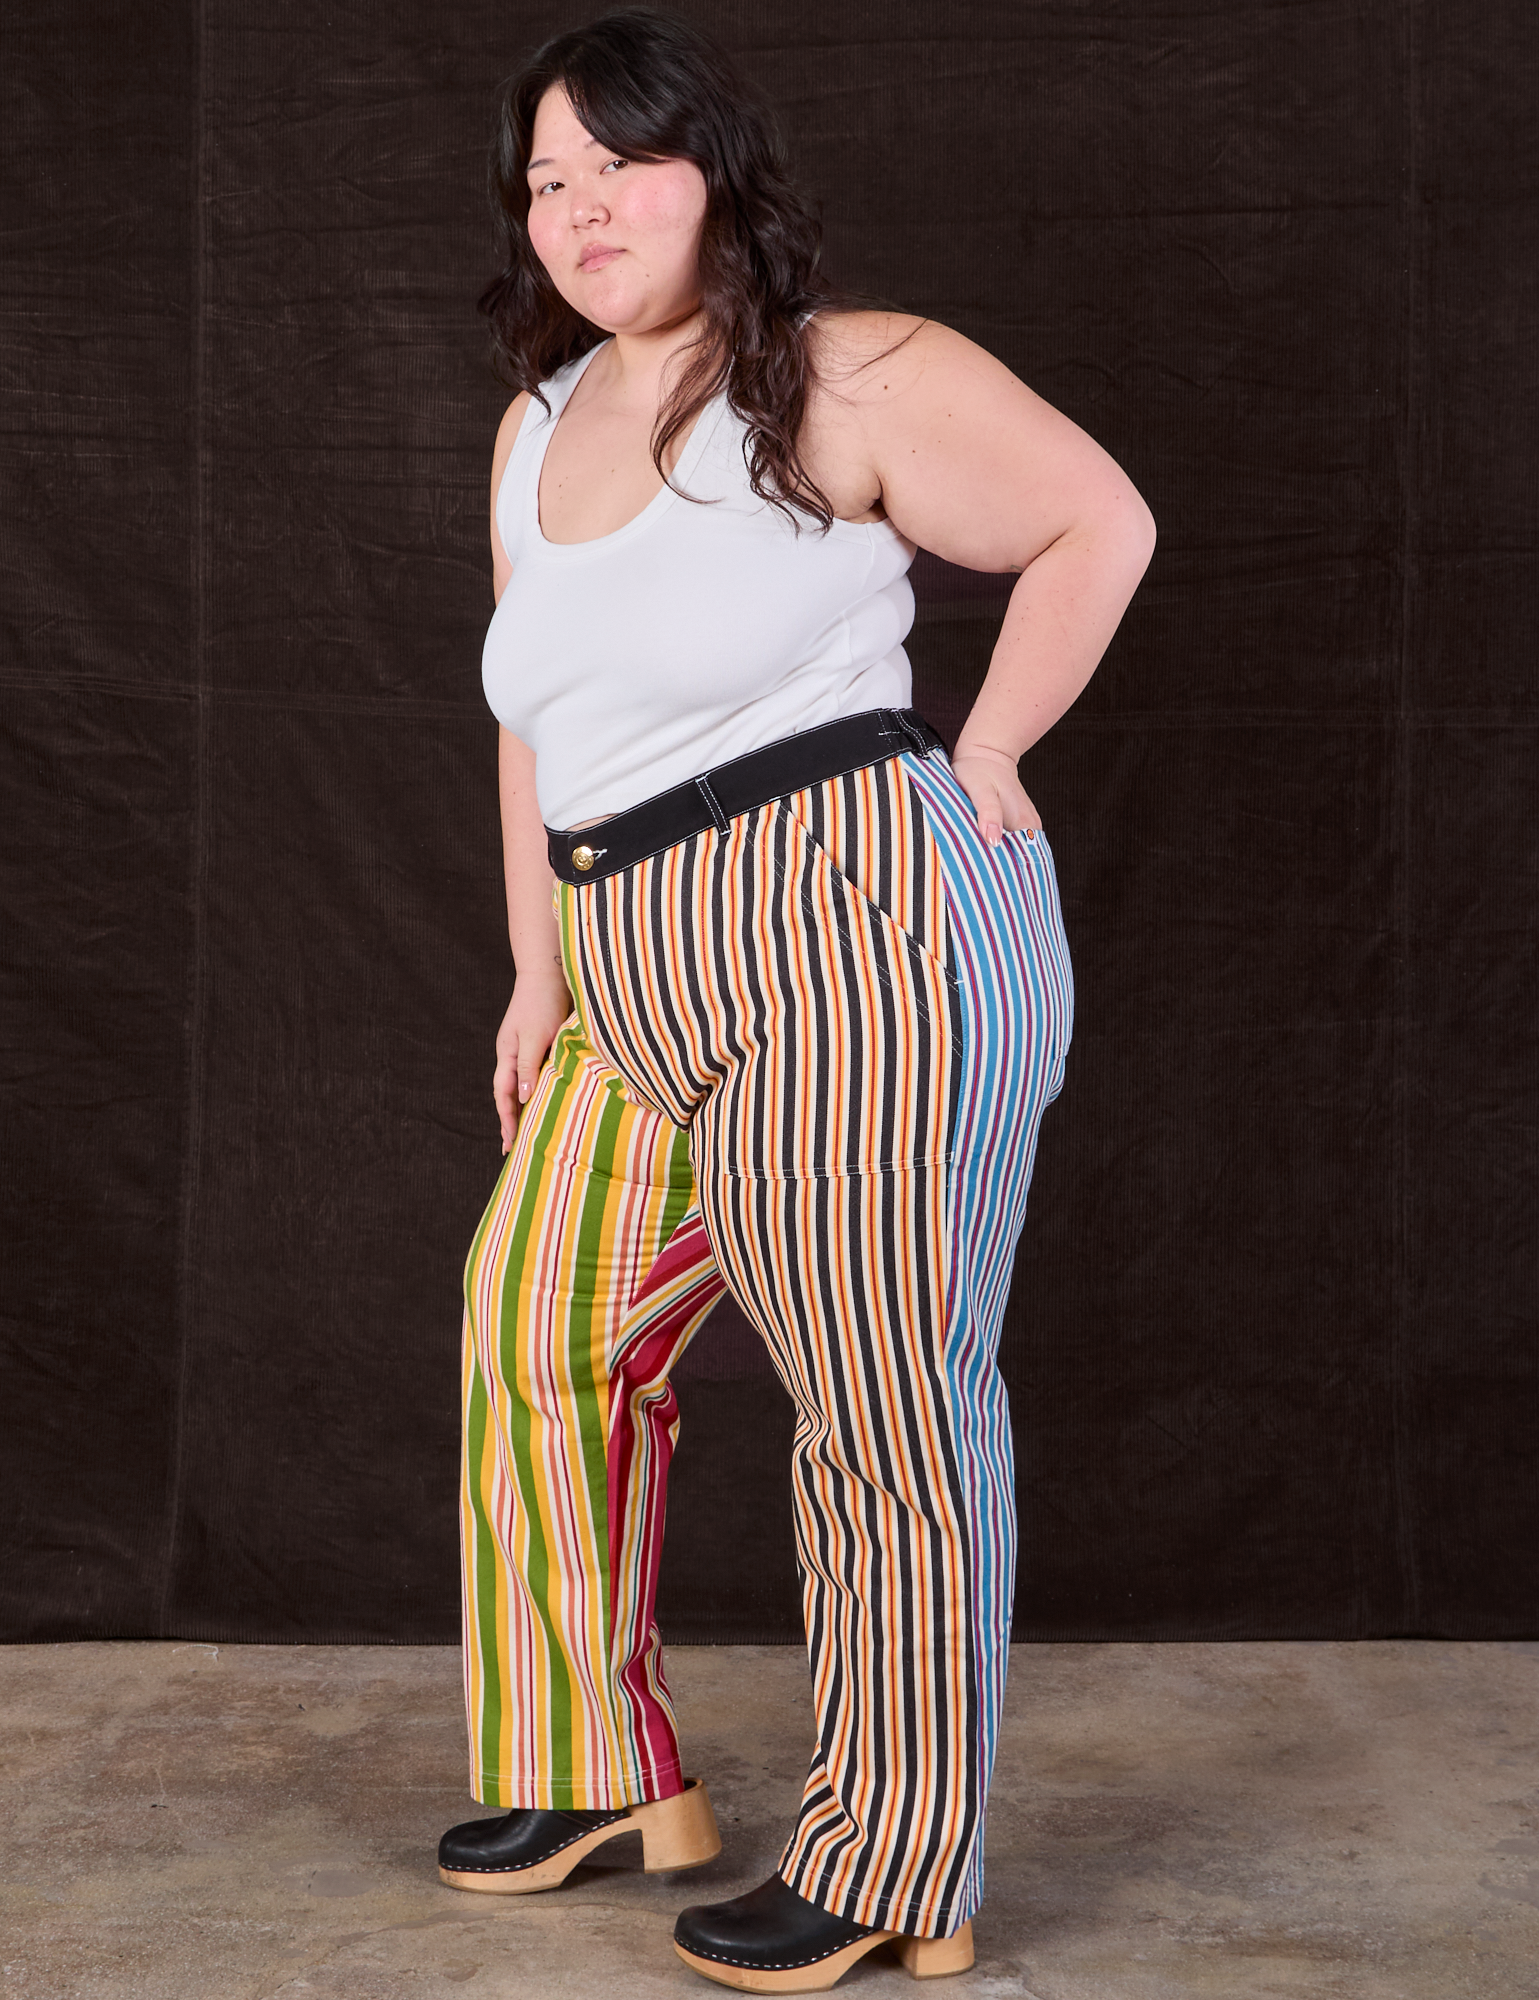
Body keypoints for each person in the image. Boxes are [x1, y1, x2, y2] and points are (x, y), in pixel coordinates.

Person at [435, 10, 1154, 1991]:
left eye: (619, 167)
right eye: (546, 181)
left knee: (878, 1399)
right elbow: (535, 729)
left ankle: (897, 1857)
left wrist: (993, 751)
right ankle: (591, 1763)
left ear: (709, 171)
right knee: (534, 1325)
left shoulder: (841, 371)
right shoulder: (535, 423)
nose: (580, 210)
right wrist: (536, 969)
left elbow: (1100, 516)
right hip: (627, 944)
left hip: (852, 917)